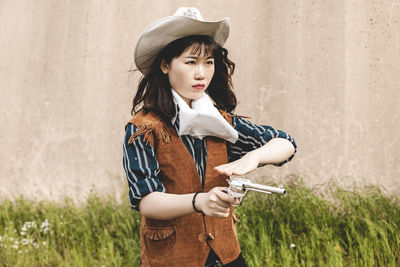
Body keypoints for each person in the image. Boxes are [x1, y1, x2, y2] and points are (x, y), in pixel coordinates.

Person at [123, 7, 297, 267]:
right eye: (191, 62)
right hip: (172, 258)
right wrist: (199, 201)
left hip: (225, 254)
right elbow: (146, 200)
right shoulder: (143, 128)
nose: (201, 73)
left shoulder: (221, 123)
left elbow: (286, 144)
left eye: (209, 62)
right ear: (165, 64)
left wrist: (254, 157)